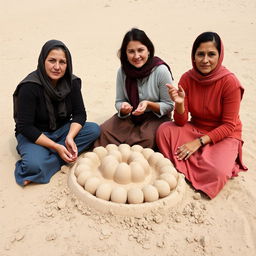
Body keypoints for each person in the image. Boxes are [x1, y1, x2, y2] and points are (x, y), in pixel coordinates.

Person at [156, 32, 247, 199]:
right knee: (164, 130)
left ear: (220, 56)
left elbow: (229, 125)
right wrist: (180, 103)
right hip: (196, 127)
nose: (205, 60)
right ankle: (198, 162)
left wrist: (197, 143)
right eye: (200, 54)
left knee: (217, 172)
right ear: (194, 56)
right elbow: (181, 122)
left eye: (211, 54)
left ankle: (213, 161)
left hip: (224, 134)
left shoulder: (230, 83)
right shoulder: (187, 78)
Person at [13, 40, 100, 186]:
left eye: (62, 62)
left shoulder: (72, 82)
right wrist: (56, 147)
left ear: (68, 64)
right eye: (52, 60)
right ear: (43, 61)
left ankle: (48, 159)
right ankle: (48, 157)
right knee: (33, 166)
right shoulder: (29, 87)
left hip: (62, 130)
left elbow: (80, 114)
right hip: (35, 134)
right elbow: (25, 126)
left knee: (94, 129)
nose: (57, 67)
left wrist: (70, 137)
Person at [94, 28, 174, 149]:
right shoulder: (122, 71)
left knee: (147, 139)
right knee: (103, 131)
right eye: (131, 51)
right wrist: (123, 107)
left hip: (155, 117)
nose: (136, 56)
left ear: (148, 50)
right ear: (125, 54)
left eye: (140, 50)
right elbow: (119, 100)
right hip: (130, 116)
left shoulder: (160, 71)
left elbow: (169, 105)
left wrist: (149, 104)